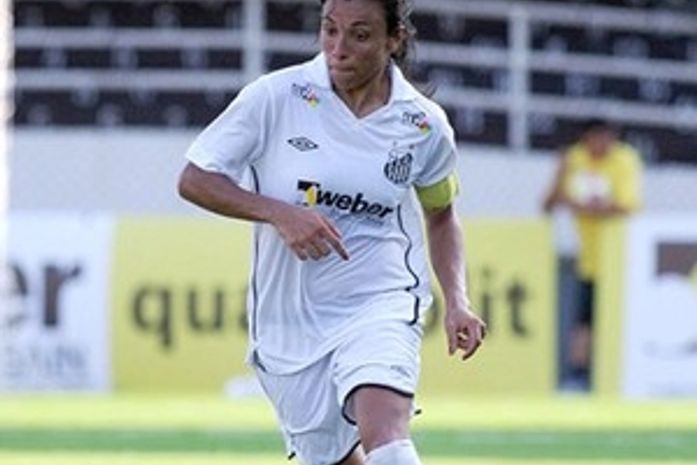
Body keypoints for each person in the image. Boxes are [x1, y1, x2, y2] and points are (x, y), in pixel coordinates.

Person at [178, 0, 487, 463]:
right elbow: (195, 179)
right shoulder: (275, 97)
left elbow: (441, 214)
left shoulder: (423, 125)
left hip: (380, 300)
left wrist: (457, 300)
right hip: (289, 323)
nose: (338, 49)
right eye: (329, 30)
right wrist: (279, 213)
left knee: (388, 438)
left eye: (359, 35)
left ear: (394, 40)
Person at [543, 119, 642, 391]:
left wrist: (585, 206)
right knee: (584, 321)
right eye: (596, 138)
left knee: (617, 320)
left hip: (621, 260)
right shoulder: (575, 160)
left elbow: (628, 206)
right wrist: (560, 174)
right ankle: (580, 377)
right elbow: (549, 204)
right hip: (589, 258)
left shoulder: (624, 160)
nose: (602, 144)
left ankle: (620, 375)